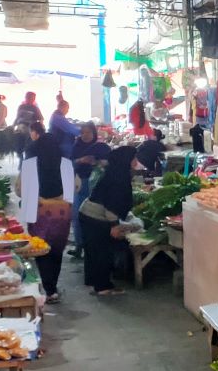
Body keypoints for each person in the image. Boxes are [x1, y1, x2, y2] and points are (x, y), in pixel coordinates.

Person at [17, 123, 74, 303]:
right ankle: (52, 288)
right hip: (60, 213)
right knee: (56, 250)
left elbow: (20, 191)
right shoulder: (65, 163)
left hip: (38, 211)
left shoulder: (30, 163)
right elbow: (73, 190)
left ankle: (47, 287)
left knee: (40, 248)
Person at [78, 147, 137, 296]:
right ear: (126, 160)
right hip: (96, 217)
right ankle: (103, 287)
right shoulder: (119, 178)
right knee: (102, 252)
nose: (136, 161)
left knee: (93, 252)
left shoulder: (114, 172)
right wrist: (114, 225)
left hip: (87, 213)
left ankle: (94, 282)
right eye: (133, 158)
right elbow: (111, 206)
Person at [69, 121, 112, 257]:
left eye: (88, 132)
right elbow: (69, 164)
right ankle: (79, 245)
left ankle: (92, 246)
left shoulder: (101, 147)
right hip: (79, 183)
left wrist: (98, 162)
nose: (85, 135)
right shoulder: (76, 146)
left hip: (97, 185)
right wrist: (81, 160)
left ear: (94, 133)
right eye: (83, 133)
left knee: (94, 216)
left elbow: (109, 163)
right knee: (77, 215)